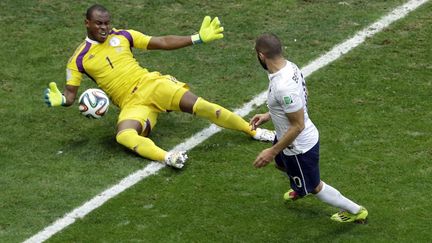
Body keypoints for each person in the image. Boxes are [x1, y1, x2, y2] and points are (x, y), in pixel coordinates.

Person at [44, 4, 275, 169]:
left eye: (106, 23)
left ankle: (253, 131)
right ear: (87, 23)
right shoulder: (79, 59)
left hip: (153, 84)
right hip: (131, 104)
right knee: (123, 136)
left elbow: (161, 42)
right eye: (98, 24)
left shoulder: (124, 36)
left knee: (202, 106)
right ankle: (168, 157)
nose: (104, 28)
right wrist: (62, 100)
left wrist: (197, 38)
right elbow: (71, 95)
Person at [250, 33, 368, 223]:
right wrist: (268, 115)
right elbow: (302, 96)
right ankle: (299, 186)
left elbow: (298, 125)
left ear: (261, 55)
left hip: (297, 147)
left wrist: (271, 151)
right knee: (281, 164)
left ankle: (356, 210)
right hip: (285, 138)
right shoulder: (289, 67)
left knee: (315, 187)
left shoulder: (283, 86)